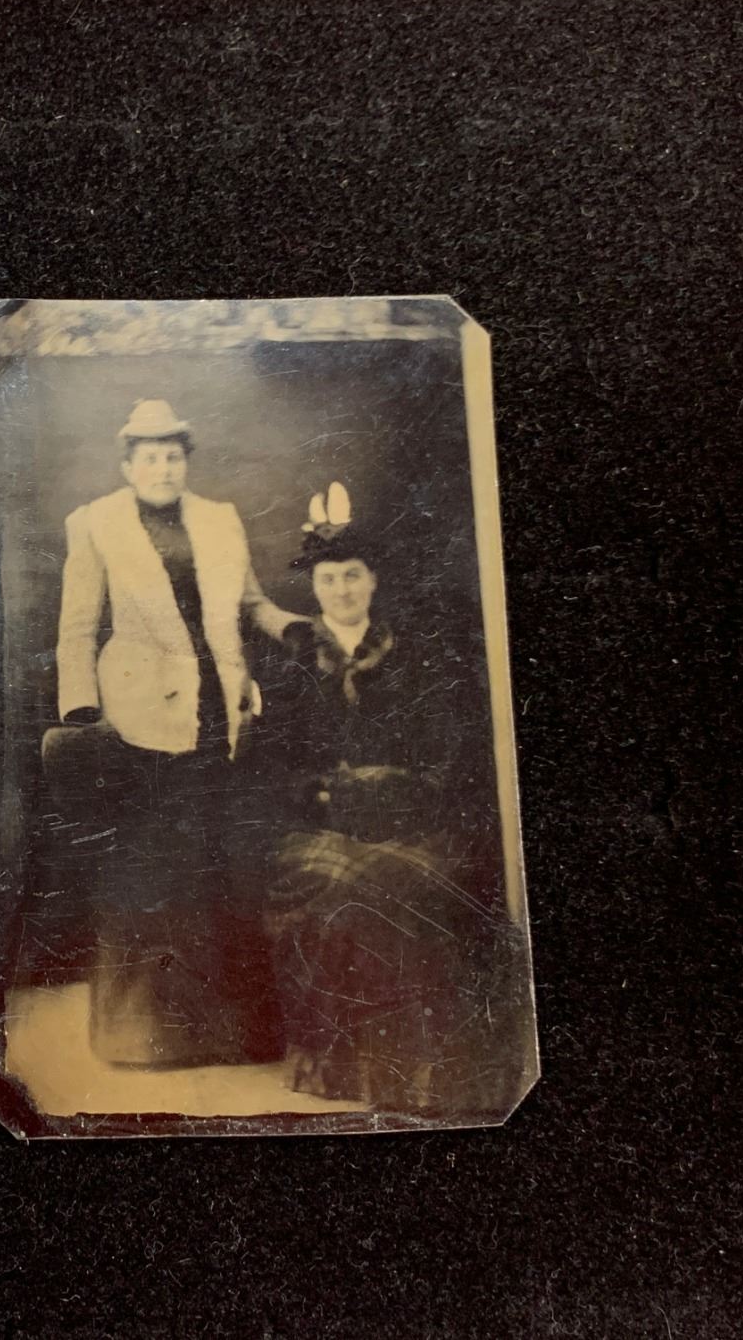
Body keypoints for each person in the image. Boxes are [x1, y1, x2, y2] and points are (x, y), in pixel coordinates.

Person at [47, 399, 307, 1067]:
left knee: (218, 864)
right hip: (140, 712)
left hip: (218, 708)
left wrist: (294, 627)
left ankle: (231, 1035)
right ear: (128, 465)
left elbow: (251, 603)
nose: (163, 467)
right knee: (152, 869)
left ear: (186, 461)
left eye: (173, 456)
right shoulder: (96, 523)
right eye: (150, 457)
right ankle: (142, 1037)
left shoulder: (219, 518)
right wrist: (81, 709)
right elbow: (77, 629)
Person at [260, 483, 511, 1113]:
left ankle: (412, 1073)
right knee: (336, 886)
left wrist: (396, 796)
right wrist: (329, 795)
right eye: (328, 578)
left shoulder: (418, 655)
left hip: (409, 821)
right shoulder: (293, 663)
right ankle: (336, 1066)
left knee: (393, 884)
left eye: (353, 575)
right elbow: (277, 766)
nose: (341, 590)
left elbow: (444, 756)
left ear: (373, 580)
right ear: (313, 586)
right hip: (320, 826)